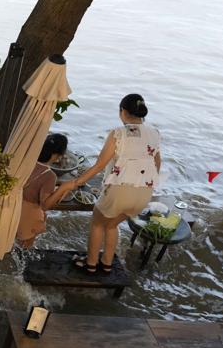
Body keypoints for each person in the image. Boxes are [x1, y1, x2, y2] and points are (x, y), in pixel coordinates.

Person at [67, 93, 162, 272]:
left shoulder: (118, 133)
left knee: (97, 222)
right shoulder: (154, 133)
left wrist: (76, 182)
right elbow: (157, 164)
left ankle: (91, 263)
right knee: (111, 224)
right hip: (143, 195)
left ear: (123, 112)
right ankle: (107, 263)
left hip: (119, 191)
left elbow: (100, 165)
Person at [16, 133, 76, 248]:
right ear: (57, 155)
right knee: (24, 249)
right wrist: (63, 188)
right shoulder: (50, 176)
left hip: (14, 208)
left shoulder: (26, 163)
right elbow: (45, 205)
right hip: (28, 216)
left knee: (11, 244)